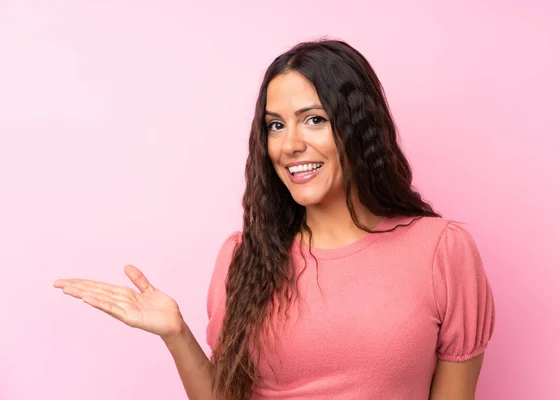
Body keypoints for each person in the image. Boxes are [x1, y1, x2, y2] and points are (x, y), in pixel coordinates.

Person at [54, 39, 495, 400]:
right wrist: (177, 334)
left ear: (359, 129)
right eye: (276, 126)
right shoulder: (245, 257)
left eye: (314, 120)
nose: (290, 145)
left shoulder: (441, 251)